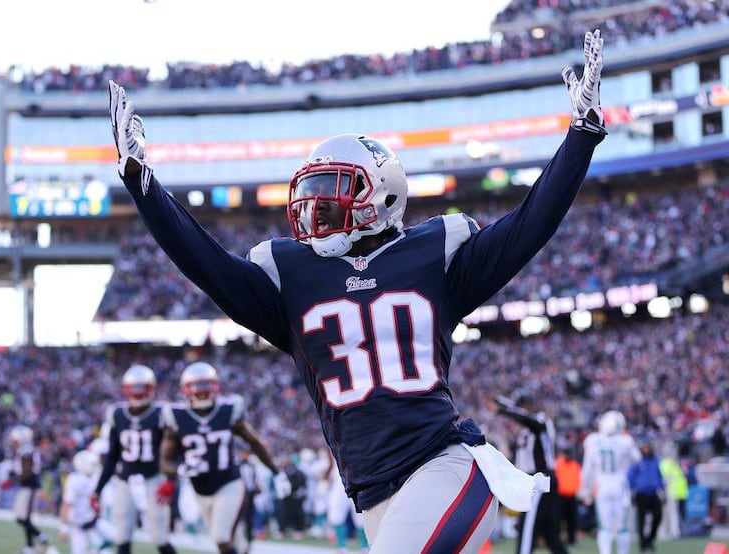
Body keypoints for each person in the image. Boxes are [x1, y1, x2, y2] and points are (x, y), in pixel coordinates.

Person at [106, 28, 607, 553]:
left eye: (332, 193)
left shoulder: (433, 254)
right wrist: (143, 184)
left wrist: (580, 137)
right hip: (371, 492)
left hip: (445, 465)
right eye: (311, 194)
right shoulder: (290, 276)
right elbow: (204, 262)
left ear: (381, 194)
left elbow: (528, 225)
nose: (315, 208)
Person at [159, 361, 291, 554]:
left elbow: (255, 442)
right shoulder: (176, 418)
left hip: (229, 483)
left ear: (215, 386)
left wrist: (276, 472)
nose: (202, 391)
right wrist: (180, 469)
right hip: (201, 489)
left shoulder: (228, 410)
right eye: (197, 387)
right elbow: (165, 461)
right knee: (228, 543)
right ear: (186, 389)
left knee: (220, 537)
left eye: (206, 385)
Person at [90, 364, 177, 554]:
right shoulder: (118, 414)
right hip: (125, 481)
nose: (138, 393)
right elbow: (113, 456)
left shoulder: (162, 413)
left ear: (151, 389)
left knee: (160, 538)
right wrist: (98, 489)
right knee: (122, 537)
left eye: (141, 388)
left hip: (154, 479)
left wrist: (170, 480)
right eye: (134, 388)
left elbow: (173, 452)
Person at [490, 394, 568, 554]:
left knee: (528, 529)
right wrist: (499, 401)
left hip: (541, 480)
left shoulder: (541, 421)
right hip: (532, 481)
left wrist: (502, 410)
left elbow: (528, 419)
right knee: (549, 533)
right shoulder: (523, 429)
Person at [579, 410, 641, 554]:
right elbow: (637, 458)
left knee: (605, 528)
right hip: (620, 484)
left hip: (602, 484)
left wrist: (584, 490)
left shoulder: (593, 440)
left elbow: (587, 469)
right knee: (622, 528)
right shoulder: (626, 441)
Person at [0, 424, 50, 554]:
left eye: (15, 441)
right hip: (26, 487)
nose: (13, 443)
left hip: (30, 487)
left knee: (24, 518)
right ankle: (36, 541)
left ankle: (34, 544)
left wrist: (11, 481)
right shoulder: (25, 450)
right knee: (20, 517)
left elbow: (27, 472)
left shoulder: (26, 450)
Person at [59, 449, 112, 554]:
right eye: (91, 464)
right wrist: (63, 528)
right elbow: (66, 504)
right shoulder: (75, 479)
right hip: (79, 527)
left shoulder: (93, 479)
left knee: (116, 538)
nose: (94, 467)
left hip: (94, 523)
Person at [627, 441, 665, 552]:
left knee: (658, 516)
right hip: (641, 493)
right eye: (644, 447)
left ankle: (650, 538)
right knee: (641, 519)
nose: (646, 450)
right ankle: (642, 542)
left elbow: (659, 475)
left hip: (653, 493)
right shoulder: (637, 461)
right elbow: (630, 477)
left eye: (647, 447)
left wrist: (662, 490)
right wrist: (632, 491)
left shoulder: (655, 460)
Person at [554, 447, 582, 546]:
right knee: (557, 519)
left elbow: (579, 479)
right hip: (560, 496)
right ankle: (556, 540)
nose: (567, 456)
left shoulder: (575, 465)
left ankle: (571, 540)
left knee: (572, 519)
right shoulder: (557, 464)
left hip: (571, 496)